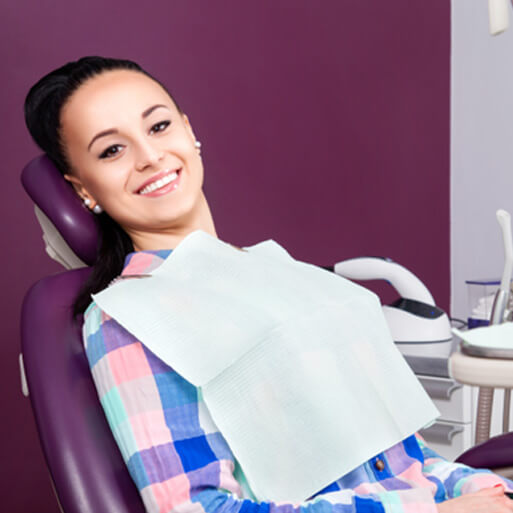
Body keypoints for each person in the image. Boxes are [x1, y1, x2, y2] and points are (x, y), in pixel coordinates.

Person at [24, 56, 513, 513]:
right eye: (112, 150)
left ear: (189, 132)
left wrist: (483, 490)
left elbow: (411, 461)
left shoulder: (287, 275)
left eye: (158, 126)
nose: (150, 156)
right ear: (83, 189)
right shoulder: (131, 318)